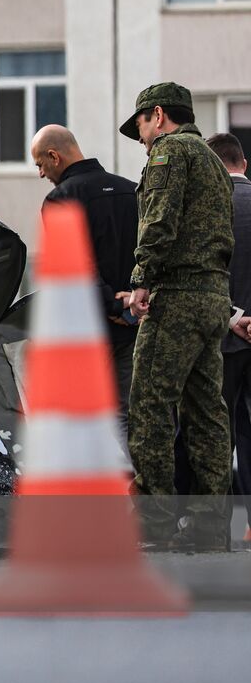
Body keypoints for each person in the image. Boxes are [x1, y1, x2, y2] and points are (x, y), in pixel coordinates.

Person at [119, 82, 234, 550]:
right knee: (207, 410)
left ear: (159, 115)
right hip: (213, 297)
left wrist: (142, 278)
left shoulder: (169, 153)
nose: (143, 138)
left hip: (178, 295)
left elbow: (160, 220)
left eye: (142, 126)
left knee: (149, 402)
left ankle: (154, 520)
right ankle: (210, 525)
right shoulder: (213, 160)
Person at [30, 124, 139, 444]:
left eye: (39, 164)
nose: (40, 173)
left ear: (54, 156)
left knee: (84, 421)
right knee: (125, 415)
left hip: (88, 333)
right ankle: (129, 488)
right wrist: (129, 305)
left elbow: (76, 268)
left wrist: (113, 305)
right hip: (134, 325)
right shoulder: (131, 190)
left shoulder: (60, 200)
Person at [207, 133, 251, 532]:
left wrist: (234, 317)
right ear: (244, 164)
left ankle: (216, 527)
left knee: (221, 433)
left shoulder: (209, 211)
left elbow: (201, 275)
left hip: (224, 338)